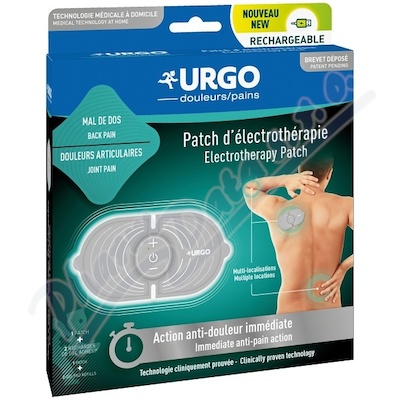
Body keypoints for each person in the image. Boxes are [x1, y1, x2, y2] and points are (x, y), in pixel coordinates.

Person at [243, 151, 353, 313]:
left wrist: (284, 179)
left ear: (300, 172)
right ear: (329, 173)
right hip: (328, 308)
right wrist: (343, 268)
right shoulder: (346, 205)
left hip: (289, 310)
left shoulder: (278, 208)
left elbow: (249, 188)